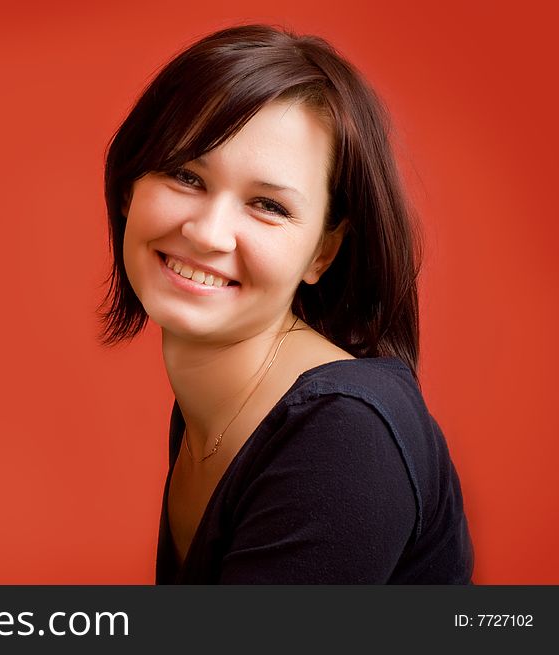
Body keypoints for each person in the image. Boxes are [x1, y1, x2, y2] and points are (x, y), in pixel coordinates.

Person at [97, 24, 474, 584]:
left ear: (323, 250)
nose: (208, 234)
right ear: (131, 185)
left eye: (268, 205)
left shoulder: (343, 436)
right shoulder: (213, 411)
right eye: (185, 175)